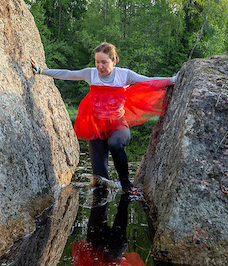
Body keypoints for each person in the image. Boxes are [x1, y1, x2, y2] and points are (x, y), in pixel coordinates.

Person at [30, 42, 175, 197]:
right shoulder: (90, 74)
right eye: (97, 62)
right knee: (100, 181)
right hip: (96, 129)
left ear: (114, 61)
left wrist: (172, 80)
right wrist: (41, 71)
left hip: (118, 126)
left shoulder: (124, 75)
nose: (100, 66)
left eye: (104, 62)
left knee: (115, 144)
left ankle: (126, 184)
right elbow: (67, 73)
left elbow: (149, 81)